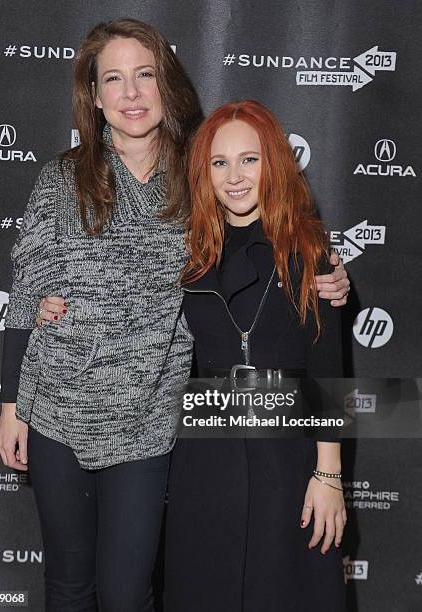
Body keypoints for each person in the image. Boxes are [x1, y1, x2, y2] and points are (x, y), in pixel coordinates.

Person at [0, 18, 349, 612]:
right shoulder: (61, 177)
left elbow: (258, 241)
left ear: (167, 85)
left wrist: (323, 272)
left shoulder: (197, 176)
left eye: (145, 75)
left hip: (151, 418)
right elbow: (26, 290)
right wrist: (11, 405)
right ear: (95, 94)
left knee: (129, 594)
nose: (131, 93)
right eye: (114, 78)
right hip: (57, 405)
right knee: (67, 588)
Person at [164, 101, 347, 612]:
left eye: (250, 159)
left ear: (273, 164)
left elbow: (329, 371)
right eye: (220, 163)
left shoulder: (310, 252)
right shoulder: (192, 252)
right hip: (205, 457)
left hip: (286, 456)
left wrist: (328, 474)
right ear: (204, 172)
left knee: (286, 590)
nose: (235, 176)